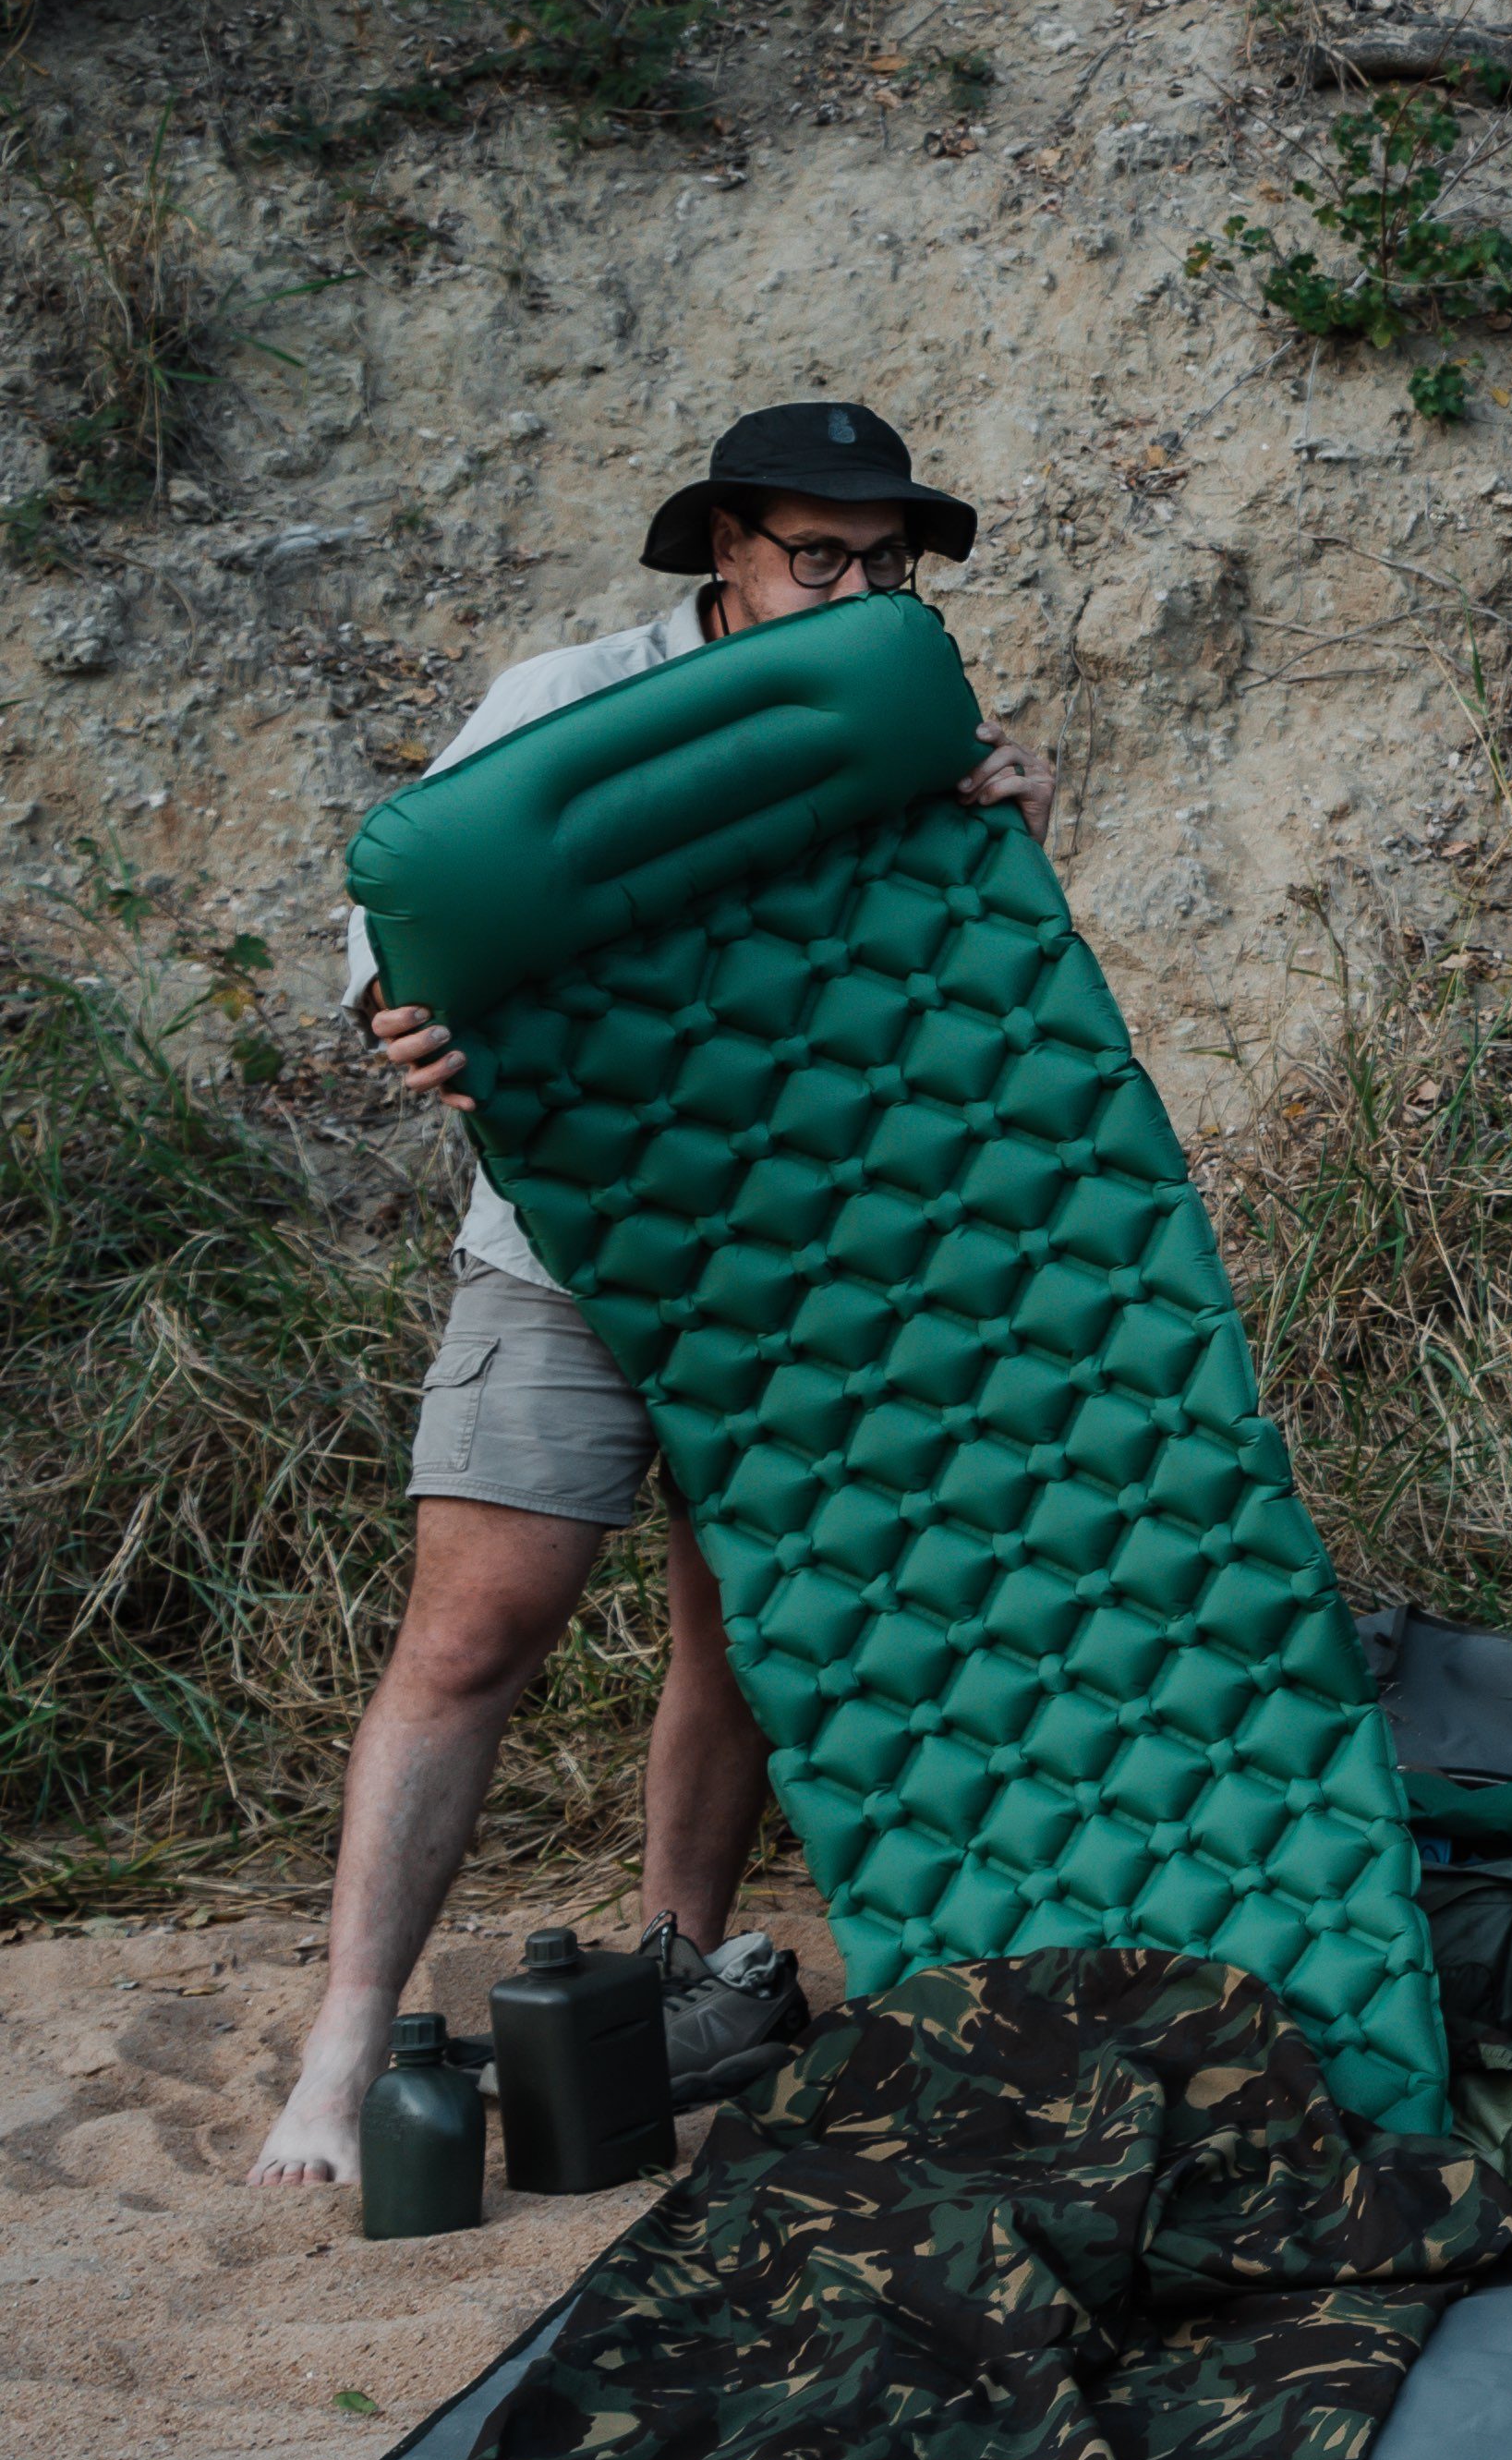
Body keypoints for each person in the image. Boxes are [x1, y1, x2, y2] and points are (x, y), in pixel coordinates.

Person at [250, 404, 1056, 2186]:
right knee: (472, 1633)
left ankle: (686, 1972)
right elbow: (402, 901)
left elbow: (951, 983)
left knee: (735, 1636)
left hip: (796, 1264)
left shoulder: (903, 714)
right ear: (724, 549)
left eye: (885, 563)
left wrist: (1010, 835)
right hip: (562, 1247)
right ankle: (343, 2043)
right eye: (816, 557)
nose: (854, 588)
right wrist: (403, 1005)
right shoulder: (571, 694)